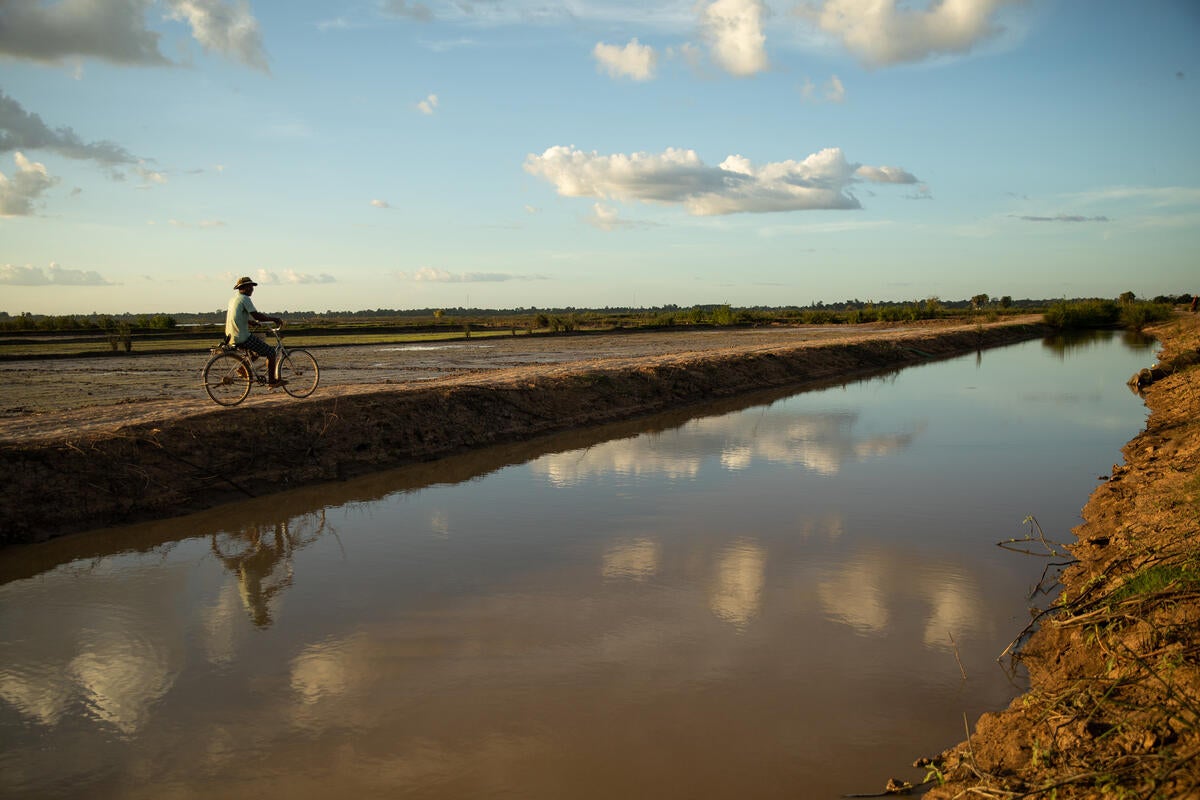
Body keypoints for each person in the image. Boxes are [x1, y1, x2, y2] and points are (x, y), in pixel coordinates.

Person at [226, 276, 286, 387]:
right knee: (271, 352)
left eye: (252, 287)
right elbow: (258, 316)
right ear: (243, 287)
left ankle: (242, 369)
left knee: (257, 350)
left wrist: (250, 322)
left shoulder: (233, 299)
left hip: (231, 336)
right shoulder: (245, 299)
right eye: (250, 286)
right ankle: (272, 381)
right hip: (242, 336)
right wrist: (274, 319)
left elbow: (236, 317)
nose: (252, 289)